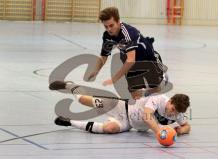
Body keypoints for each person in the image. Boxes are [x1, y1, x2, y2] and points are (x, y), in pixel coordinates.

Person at [50, 81, 191, 136]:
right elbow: (146, 116)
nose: (172, 113)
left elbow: (187, 126)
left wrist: (179, 131)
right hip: (120, 107)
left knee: (109, 129)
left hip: (128, 123)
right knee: (83, 100)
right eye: (172, 109)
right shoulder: (159, 98)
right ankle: (70, 86)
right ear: (170, 100)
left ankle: (69, 122)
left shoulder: (177, 112)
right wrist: (159, 131)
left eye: (176, 112)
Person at [87, 7, 166, 99]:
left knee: (155, 89)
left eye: (111, 25)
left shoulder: (128, 33)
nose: (109, 29)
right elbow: (104, 56)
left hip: (148, 59)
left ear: (118, 21)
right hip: (130, 61)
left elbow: (131, 60)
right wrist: (96, 70)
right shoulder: (107, 36)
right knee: (135, 95)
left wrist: (114, 79)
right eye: (106, 26)